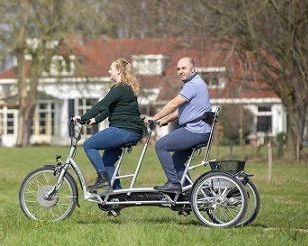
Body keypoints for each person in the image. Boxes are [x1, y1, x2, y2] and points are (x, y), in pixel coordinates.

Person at [73, 58, 144, 191]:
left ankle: (103, 179)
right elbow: (108, 109)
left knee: (89, 144)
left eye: (111, 69)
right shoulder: (123, 88)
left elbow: (102, 105)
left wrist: (82, 118)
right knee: (107, 163)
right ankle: (116, 197)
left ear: (118, 71)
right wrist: (95, 120)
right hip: (129, 130)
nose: (108, 71)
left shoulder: (120, 88)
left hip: (125, 130)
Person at [144, 57, 212, 193]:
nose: (180, 71)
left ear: (192, 69)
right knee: (175, 163)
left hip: (196, 130)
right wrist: (166, 120)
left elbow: (173, 104)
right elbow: (183, 110)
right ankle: (188, 193)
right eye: (178, 69)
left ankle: (174, 184)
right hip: (198, 130)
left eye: (184, 68)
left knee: (161, 145)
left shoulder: (193, 85)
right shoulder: (194, 83)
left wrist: (155, 117)